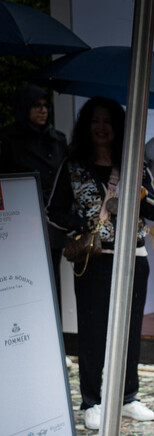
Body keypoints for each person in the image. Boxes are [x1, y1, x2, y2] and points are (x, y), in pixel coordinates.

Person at [46, 97, 154, 430]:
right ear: (87, 125)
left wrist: (134, 193)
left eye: (107, 122)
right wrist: (84, 224)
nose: (101, 128)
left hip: (133, 257)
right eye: (95, 121)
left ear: (118, 128)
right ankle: (91, 401)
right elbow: (53, 211)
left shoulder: (135, 164)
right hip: (94, 260)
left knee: (129, 330)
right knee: (93, 331)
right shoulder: (73, 164)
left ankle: (129, 397)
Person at [0, 85, 69, 294]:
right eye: (36, 106)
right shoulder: (8, 139)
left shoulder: (57, 139)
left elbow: (63, 180)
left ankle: (54, 325)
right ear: (24, 108)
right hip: (21, 221)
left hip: (51, 220)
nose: (43, 111)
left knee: (51, 277)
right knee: (23, 278)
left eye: (45, 106)